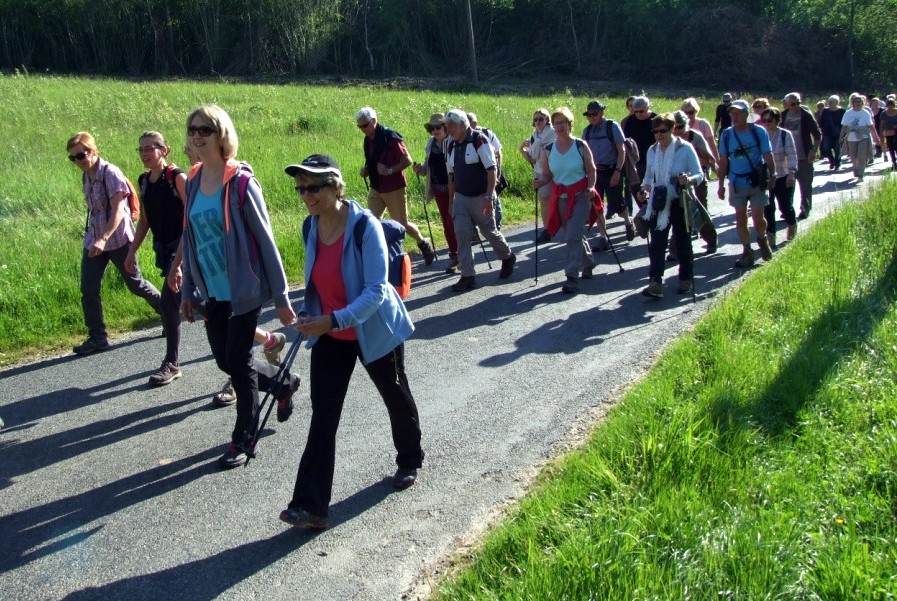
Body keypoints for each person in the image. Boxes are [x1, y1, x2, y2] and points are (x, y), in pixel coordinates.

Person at [279, 154, 424, 531]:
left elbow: (376, 290)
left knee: (394, 392)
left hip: (374, 329)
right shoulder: (309, 227)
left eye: (313, 186)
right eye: (301, 188)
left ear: (335, 186)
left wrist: (334, 318)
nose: (306, 194)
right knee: (323, 416)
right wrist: (311, 316)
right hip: (330, 334)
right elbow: (318, 281)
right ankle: (309, 505)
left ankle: (410, 458)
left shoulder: (364, 227)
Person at [179, 105, 299, 469]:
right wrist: (187, 291)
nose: (198, 135)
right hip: (211, 290)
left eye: (206, 129)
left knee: (240, 363)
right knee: (225, 360)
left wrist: (281, 298)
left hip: (243, 289)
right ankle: (283, 382)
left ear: (222, 135)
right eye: (193, 129)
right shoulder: (195, 179)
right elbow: (189, 237)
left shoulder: (242, 183)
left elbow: (266, 241)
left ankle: (243, 439)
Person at [66, 132, 162, 355]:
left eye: (81, 155)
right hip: (95, 240)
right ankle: (97, 338)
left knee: (135, 284)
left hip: (118, 239)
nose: (79, 161)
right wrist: (95, 238)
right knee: (88, 289)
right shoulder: (87, 176)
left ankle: (168, 314)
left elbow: (119, 210)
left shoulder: (110, 173)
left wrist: (103, 238)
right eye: (74, 158)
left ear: (94, 150)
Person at [123, 131, 187, 385]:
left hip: (184, 248)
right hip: (164, 248)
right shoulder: (144, 181)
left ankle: (172, 363)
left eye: (151, 148)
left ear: (165, 150)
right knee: (187, 304)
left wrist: (179, 263)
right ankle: (257, 338)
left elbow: (192, 218)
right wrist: (131, 250)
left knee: (175, 303)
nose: (145, 153)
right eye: (141, 149)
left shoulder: (176, 177)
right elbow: (146, 220)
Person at [443, 109, 516, 292]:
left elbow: (492, 170)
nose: (447, 129)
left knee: (489, 231)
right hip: (461, 197)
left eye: (450, 125)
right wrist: (451, 203)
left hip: (480, 196)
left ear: (461, 124)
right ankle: (467, 276)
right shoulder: (451, 145)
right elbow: (451, 176)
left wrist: (489, 196)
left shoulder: (479, 140)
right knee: (461, 234)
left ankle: (507, 256)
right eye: (446, 126)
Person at [356, 107, 436, 265]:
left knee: (401, 224)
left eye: (364, 125)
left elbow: (407, 160)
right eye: (359, 127)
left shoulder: (390, 137)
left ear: (374, 121)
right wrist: (367, 170)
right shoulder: (368, 140)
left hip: (394, 187)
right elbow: (373, 161)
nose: (362, 130)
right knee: (370, 223)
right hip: (376, 187)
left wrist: (390, 170)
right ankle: (378, 257)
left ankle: (423, 243)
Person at [637, 113, 704, 298]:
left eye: (663, 131)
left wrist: (689, 179)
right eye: (655, 131)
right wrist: (644, 189)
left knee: (683, 241)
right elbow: (649, 176)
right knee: (657, 243)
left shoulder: (685, 148)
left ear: (672, 129)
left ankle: (686, 279)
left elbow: (700, 174)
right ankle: (655, 283)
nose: (659, 135)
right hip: (659, 201)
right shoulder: (652, 150)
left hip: (680, 199)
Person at [535, 107, 599, 294]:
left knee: (572, 235)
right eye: (556, 123)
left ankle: (571, 276)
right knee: (573, 233)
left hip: (580, 196)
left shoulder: (580, 146)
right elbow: (547, 175)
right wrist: (540, 182)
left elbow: (591, 170)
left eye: (563, 122)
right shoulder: (548, 149)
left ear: (570, 124)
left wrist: (592, 186)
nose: (559, 126)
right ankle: (588, 262)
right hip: (560, 198)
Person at [717, 99, 777, 268]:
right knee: (740, 218)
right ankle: (747, 251)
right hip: (737, 181)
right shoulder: (727, 134)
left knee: (758, 218)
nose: (734, 117)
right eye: (732, 113)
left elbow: (767, 154)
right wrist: (720, 183)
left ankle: (762, 238)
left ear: (746, 114)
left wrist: (773, 174)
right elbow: (723, 161)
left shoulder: (758, 131)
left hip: (757, 180)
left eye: (738, 113)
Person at [412, 113, 459, 274]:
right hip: (439, 189)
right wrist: (420, 170)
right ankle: (455, 255)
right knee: (446, 224)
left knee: (452, 222)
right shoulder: (431, 143)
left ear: (445, 127)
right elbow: (427, 168)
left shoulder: (452, 142)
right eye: (432, 128)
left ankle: (460, 254)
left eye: (438, 127)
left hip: (455, 189)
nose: (435, 131)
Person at [581, 100, 633, 244]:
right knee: (597, 204)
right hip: (595, 173)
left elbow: (621, 150)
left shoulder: (612, 126)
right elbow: (584, 154)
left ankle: (628, 221)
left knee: (616, 204)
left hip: (612, 170)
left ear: (602, 112)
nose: (592, 117)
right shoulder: (587, 131)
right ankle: (603, 237)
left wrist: (618, 171)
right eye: (589, 115)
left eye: (594, 114)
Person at [669, 111, 718, 257]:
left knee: (699, 209)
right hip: (677, 181)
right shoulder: (668, 140)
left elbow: (709, 157)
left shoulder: (695, 137)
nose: (677, 131)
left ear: (687, 125)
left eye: (680, 127)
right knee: (678, 212)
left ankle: (711, 240)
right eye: (674, 127)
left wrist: (713, 172)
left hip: (696, 178)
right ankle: (675, 249)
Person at [760, 107, 799, 246]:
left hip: (783, 175)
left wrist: (792, 174)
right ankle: (771, 236)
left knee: (784, 206)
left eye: (770, 120)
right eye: (764, 120)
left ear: (777, 120)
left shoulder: (784, 135)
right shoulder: (760, 135)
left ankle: (792, 224)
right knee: (768, 208)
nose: (766, 123)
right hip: (766, 177)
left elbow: (792, 155)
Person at [780, 92, 822, 219]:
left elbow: (817, 135)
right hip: (787, 158)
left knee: (805, 185)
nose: (796, 106)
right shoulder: (783, 116)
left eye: (798, 103)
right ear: (786, 104)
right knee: (787, 185)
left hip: (804, 156)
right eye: (793, 104)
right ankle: (787, 209)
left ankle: (805, 208)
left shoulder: (805, 115)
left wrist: (813, 150)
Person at [518, 108, 556, 243]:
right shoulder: (534, 136)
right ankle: (547, 230)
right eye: (535, 119)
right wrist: (521, 150)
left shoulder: (553, 133)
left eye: (541, 119)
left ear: (547, 120)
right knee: (544, 201)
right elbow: (532, 159)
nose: (538, 122)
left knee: (560, 201)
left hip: (556, 171)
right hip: (540, 171)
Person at [468, 112, 506, 230]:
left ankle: (496, 226)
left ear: (474, 123)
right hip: (475, 174)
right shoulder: (464, 137)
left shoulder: (487, 133)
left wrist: (498, 171)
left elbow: (498, 152)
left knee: (493, 197)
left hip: (490, 171)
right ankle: (475, 228)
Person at [840, 93, 876, 182]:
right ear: (853, 103)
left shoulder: (865, 113)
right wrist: (841, 137)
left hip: (863, 137)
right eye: (856, 101)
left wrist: (876, 136)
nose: (858, 103)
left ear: (863, 103)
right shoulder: (848, 113)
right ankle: (855, 168)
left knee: (862, 156)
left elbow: (870, 126)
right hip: (851, 137)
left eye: (860, 101)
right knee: (853, 156)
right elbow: (844, 126)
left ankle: (861, 174)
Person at [681, 97, 719, 162]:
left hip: (702, 164)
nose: (688, 115)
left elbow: (711, 145)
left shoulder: (703, 124)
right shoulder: (679, 126)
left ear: (696, 111)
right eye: (685, 113)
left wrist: (717, 163)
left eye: (691, 112)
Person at [819, 95, 846, 170]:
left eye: (832, 102)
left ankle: (837, 163)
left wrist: (844, 133)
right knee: (826, 148)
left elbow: (844, 123)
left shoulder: (842, 111)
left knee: (838, 148)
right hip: (827, 133)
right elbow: (821, 122)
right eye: (829, 102)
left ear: (836, 102)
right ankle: (832, 161)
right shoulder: (825, 111)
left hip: (839, 133)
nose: (830, 103)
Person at [879, 97, 897, 170]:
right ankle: (894, 162)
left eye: (891, 105)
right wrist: (881, 136)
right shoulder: (884, 114)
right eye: (888, 105)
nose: (890, 107)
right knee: (891, 148)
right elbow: (881, 125)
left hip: (896, 133)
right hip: (888, 133)